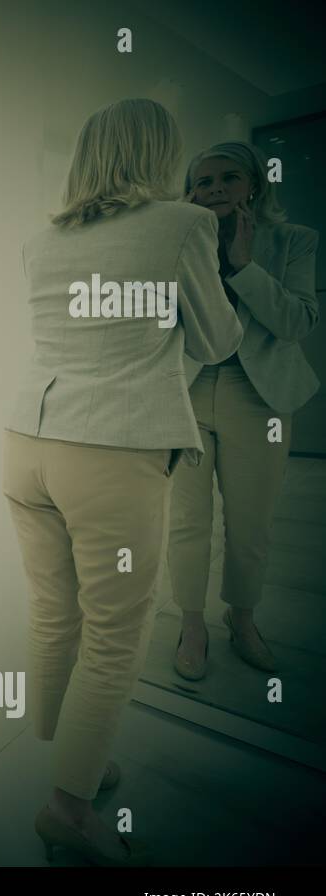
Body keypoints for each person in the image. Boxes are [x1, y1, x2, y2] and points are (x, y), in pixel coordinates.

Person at [3, 98, 242, 865]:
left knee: (53, 610)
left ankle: (72, 755)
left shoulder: (42, 241)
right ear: (158, 155)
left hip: (26, 446)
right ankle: (68, 809)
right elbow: (217, 337)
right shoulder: (183, 225)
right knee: (115, 636)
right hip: (112, 452)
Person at [170, 141, 320, 681]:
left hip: (258, 397)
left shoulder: (295, 241)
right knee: (186, 520)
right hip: (187, 388)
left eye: (227, 179)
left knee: (250, 522)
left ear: (254, 184)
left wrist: (243, 265)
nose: (214, 190)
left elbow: (298, 322)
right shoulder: (181, 242)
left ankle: (243, 617)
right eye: (202, 181)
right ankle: (191, 623)